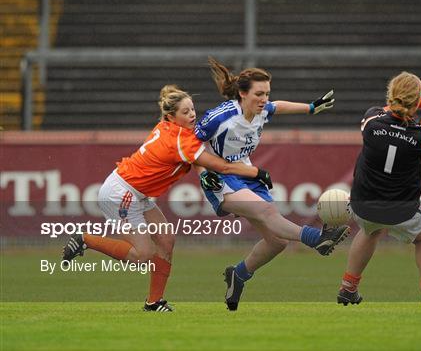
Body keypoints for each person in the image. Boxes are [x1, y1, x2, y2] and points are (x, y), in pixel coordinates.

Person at [62, 84, 273, 312]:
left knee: (165, 241)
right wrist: (256, 172)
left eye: (192, 109)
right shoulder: (179, 141)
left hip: (135, 192)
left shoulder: (172, 129)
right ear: (171, 116)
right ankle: (85, 240)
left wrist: (203, 173)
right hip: (120, 194)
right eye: (185, 112)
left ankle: (153, 302)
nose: (192, 114)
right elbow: (221, 165)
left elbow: (195, 159)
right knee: (143, 255)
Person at [194, 57, 350, 311]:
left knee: (277, 241)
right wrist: (202, 173)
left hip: (245, 172)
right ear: (242, 94)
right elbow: (188, 147)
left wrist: (311, 107)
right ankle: (317, 238)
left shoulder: (262, 109)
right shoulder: (220, 117)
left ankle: (239, 275)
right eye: (259, 94)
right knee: (268, 213)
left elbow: (278, 106)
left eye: (267, 93)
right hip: (219, 177)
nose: (264, 99)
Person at [337, 71, 421, 314]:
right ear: (414, 104)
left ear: (391, 95)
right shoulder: (420, 136)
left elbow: (391, 108)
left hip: (364, 205)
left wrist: (417, 100)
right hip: (402, 209)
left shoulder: (371, 122)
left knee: (370, 230)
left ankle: (348, 286)